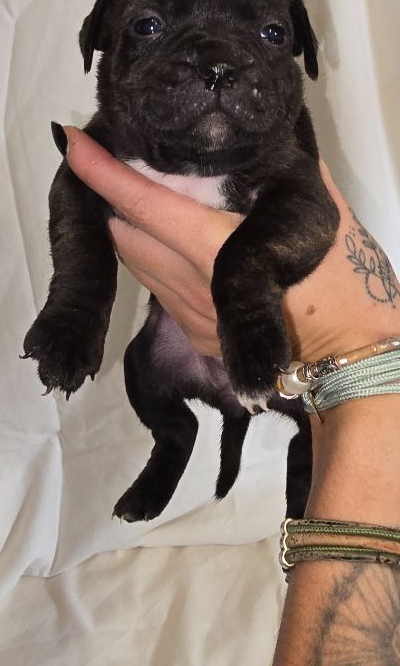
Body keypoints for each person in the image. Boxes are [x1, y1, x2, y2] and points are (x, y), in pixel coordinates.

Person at [60, 126, 400, 666]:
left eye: (270, 35)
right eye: (148, 33)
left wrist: (343, 354)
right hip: (178, 336)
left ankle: (301, 510)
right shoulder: (121, 135)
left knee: (312, 435)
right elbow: (78, 197)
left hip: (283, 347)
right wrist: (77, 308)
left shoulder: (276, 143)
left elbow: (302, 205)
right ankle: (174, 442)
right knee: (144, 369)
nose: (212, 80)